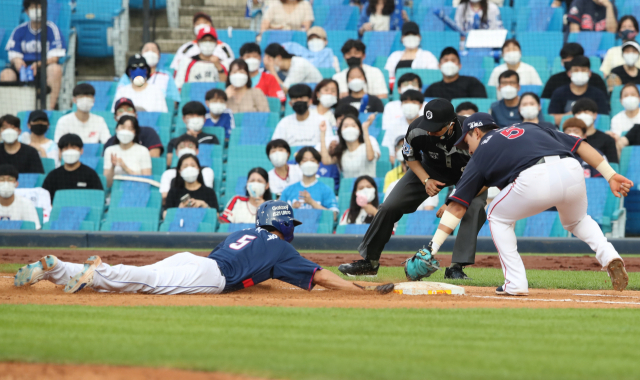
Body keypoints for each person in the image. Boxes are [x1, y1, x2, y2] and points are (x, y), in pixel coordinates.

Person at [407, 112, 631, 295]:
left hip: (535, 177)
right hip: (572, 170)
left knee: (496, 214)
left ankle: (515, 283)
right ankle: (609, 255)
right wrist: (610, 175)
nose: (468, 150)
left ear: (476, 132)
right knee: (578, 220)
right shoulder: (528, 127)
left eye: (466, 143)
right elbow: (580, 145)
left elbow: (457, 206)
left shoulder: (483, 148)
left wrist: (431, 248)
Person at [14, 200, 395, 295]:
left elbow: (254, 265)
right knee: (144, 282)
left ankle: (58, 267)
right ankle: (98, 271)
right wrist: (361, 289)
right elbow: (322, 275)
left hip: (195, 260)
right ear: (283, 225)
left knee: (149, 276)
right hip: (210, 275)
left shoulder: (243, 232)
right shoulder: (281, 249)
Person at [338, 99, 487, 280]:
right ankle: (369, 262)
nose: (430, 131)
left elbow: (485, 175)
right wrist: (426, 180)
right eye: (428, 125)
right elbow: (410, 157)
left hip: (470, 175)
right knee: (389, 206)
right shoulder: (417, 129)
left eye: (436, 127)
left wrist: (453, 200)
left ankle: (456, 267)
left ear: (451, 124)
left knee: (474, 207)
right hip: (430, 169)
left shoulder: (472, 132)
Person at [0, 0, 65, 109]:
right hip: (23, 67)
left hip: (44, 66)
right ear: (26, 11)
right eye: (33, 7)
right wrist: (17, 61)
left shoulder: (52, 29)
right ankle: (10, 111)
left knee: (55, 69)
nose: (37, 11)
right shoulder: (19, 30)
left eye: (39, 7)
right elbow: (13, 54)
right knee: (6, 74)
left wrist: (38, 64)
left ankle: (49, 109)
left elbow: (55, 57)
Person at [548, 56, 610, 125]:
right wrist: (573, 115)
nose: (579, 73)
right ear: (569, 73)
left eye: (583, 70)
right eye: (576, 70)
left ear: (589, 73)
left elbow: (603, 119)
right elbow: (552, 119)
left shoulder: (598, 94)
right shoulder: (559, 93)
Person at [41, 134, 103, 201]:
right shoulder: (53, 176)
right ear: (60, 151)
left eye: (73, 148)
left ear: (81, 150)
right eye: (66, 148)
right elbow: (45, 200)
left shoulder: (90, 174)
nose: (69, 151)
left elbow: (98, 199)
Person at [280, 147, 339, 213]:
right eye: (304, 161)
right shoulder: (288, 190)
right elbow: (278, 218)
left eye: (312, 160)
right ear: (299, 165)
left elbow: (334, 216)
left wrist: (312, 203)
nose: (308, 163)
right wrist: (292, 210)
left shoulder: (326, 190)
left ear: (318, 165)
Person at [170, 13, 234, 73]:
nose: (201, 25)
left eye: (205, 22)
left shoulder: (224, 48)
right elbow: (176, 68)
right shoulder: (187, 47)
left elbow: (231, 68)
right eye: (198, 23)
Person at [159, 135, 214, 202]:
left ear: (197, 151)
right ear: (176, 152)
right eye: (182, 146)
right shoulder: (168, 173)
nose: (186, 149)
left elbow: (207, 194)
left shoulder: (207, 171)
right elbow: (165, 198)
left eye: (190, 146)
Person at [384, 22, 438, 90]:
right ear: (402, 38)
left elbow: (433, 77)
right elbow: (388, 76)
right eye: (407, 35)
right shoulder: (394, 55)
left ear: (419, 37)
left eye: (413, 34)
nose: (410, 37)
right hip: (399, 91)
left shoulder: (427, 56)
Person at [542, 43, 608, 98]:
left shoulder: (596, 79)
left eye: (574, 60)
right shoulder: (555, 80)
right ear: (562, 61)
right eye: (568, 60)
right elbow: (545, 101)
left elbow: (605, 102)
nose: (571, 63)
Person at [166, 101, 220, 167]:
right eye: (191, 115)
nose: (195, 119)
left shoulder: (211, 139)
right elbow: (169, 163)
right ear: (184, 119)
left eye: (199, 115)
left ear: (204, 119)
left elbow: (215, 161)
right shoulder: (175, 142)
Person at [103, 116, 152, 188]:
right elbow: (107, 184)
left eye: (130, 129)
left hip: (137, 190)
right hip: (115, 193)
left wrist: (125, 168)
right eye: (122, 127)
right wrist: (112, 167)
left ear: (135, 132)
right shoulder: (109, 150)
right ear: (116, 129)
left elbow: (147, 181)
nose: (126, 131)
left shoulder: (143, 151)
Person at [175, 26, 228, 91]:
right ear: (198, 43)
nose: (208, 43)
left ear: (216, 43)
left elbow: (225, 87)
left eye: (211, 40)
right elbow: (179, 86)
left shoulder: (224, 64)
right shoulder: (186, 62)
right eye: (204, 40)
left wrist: (219, 67)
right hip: (193, 98)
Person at [381, 89, 424, 164]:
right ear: (401, 105)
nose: (410, 106)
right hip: (399, 166)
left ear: (421, 106)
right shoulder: (393, 125)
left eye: (413, 102)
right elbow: (389, 153)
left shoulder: (428, 125)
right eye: (406, 102)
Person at [571, 98, 618, 163]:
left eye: (586, 112)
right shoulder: (570, 140)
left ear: (595, 115)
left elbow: (613, 166)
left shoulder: (607, 140)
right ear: (574, 117)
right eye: (579, 113)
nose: (582, 115)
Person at [0, 164, 40, 229]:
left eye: (10, 179)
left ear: (16, 184)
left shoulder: (26, 204)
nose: (6, 183)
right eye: (1, 179)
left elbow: (34, 232)